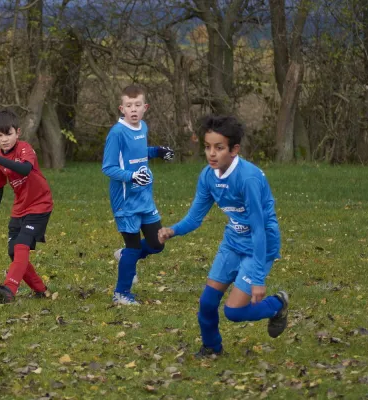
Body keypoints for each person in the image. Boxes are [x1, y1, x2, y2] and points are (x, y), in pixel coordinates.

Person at [158, 114, 289, 358]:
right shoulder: (208, 176)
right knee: (207, 304)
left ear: (234, 149)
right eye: (207, 147)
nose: (212, 154)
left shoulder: (247, 178)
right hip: (232, 243)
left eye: (219, 148)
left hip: (260, 245)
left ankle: (277, 305)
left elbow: (259, 229)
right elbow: (195, 217)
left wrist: (259, 277)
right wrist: (172, 230)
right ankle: (212, 348)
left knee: (234, 312)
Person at [102, 84, 175, 306]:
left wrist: (158, 152)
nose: (133, 109)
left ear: (145, 107)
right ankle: (121, 293)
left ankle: (124, 256)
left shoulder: (142, 127)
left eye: (137, 105)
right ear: (121, 108)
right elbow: (108, 168)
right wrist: (132, 177)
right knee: (134, 247)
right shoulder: (116, 133)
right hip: (125, 200)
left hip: (145, 197)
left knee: (157, 242)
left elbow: (139, 153)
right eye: (128, 106)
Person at [0, 109, 53, 304]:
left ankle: (9, 289)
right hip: (20, 208)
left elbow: (25, 169)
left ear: (17, 133)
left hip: (40, 204)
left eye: (8, 134)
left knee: (21, 245)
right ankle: (40, 290)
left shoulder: (25, 149)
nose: (4, 139)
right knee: (13, 252)